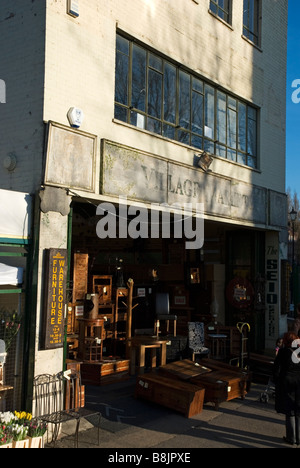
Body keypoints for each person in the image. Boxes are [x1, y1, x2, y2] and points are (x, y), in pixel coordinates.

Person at [273, 332, 300, 445]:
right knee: (298, 410)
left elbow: (276, 368)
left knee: (290, 411)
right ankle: (298, 438)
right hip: (299, 382)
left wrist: (276, 381)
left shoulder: (283, 352)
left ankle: (291, 438)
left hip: (286, 382)